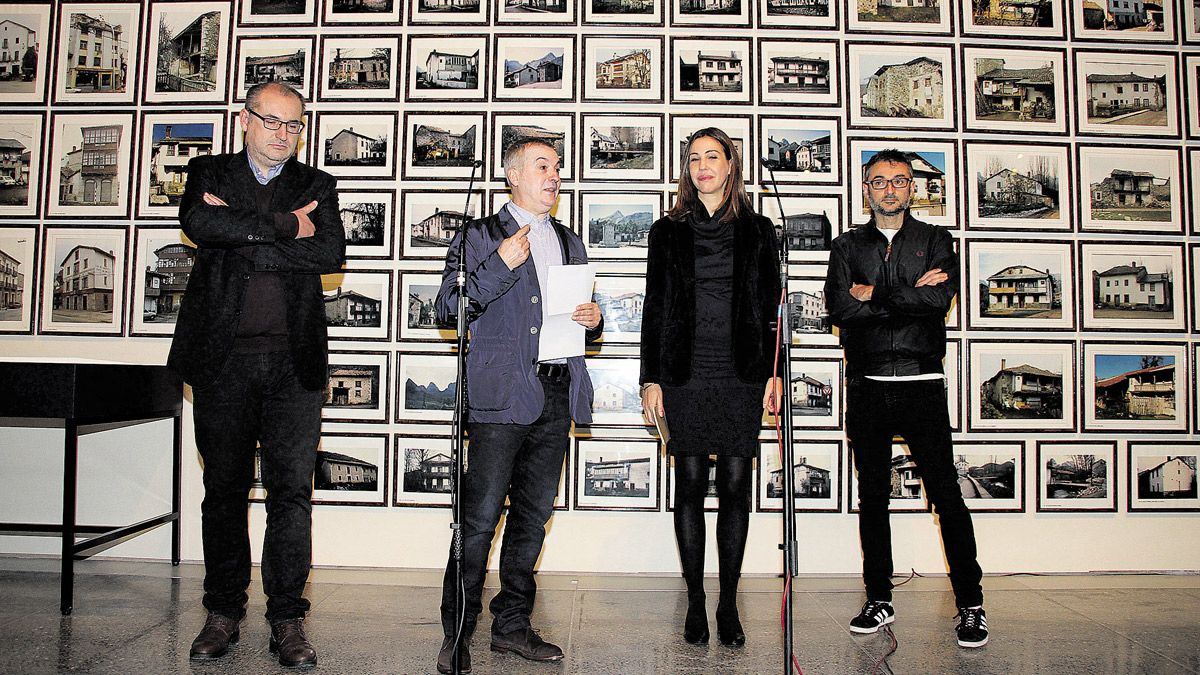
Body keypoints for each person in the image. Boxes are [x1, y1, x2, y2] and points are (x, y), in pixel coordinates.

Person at [168, 81, 345, 668]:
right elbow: (200, 225)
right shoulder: (207, 171)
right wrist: (286, 227)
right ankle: (222, 612)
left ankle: (288, 619)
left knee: (291, 494)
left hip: (293, 367)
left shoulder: (316, 185)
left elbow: (328, 256)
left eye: (294, 126)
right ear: (245, 120)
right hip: (223, 364)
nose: (283, 134)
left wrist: (244, 232)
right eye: (272, 122)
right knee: (223, 492)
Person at [434, 139, 603, 674]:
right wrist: (499, 266)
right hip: (500, 397)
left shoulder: (569, 240)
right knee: (479, 520)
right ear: (512, 176)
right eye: (542, 166)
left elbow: (573, 323)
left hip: (555, 393)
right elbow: (447, 308)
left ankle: (511, 627)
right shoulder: (479, 235)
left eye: (556, 168)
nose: (554, 176)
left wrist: (593, 321)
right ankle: (456, 634)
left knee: (533, 517)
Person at [824, 149, 988, 648]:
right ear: (866, 188)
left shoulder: (937, 239)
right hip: (868, 384)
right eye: (880, 181)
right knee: (872, 498)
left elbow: (938, 301)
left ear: (911, 188)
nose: (890, 189)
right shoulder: (847, 244)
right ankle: (879, 598)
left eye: (899, 181)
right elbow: (839, 307)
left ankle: (972, 605)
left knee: (946, 496)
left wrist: (873, 294)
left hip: (921, 383)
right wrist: (904, 294)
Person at [639, 128, 782, 648]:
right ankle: (696, 602)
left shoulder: (761, 230)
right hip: (687, 372)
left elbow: (773, 310)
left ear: (730, 165)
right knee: (692, 485)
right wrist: (650, 378)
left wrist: (776, 371)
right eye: (693, 158)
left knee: (737, 488)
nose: (702, 165)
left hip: (741, 371)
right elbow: (655, 307)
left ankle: (728, 603)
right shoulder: (666, 231)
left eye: (712, 156)